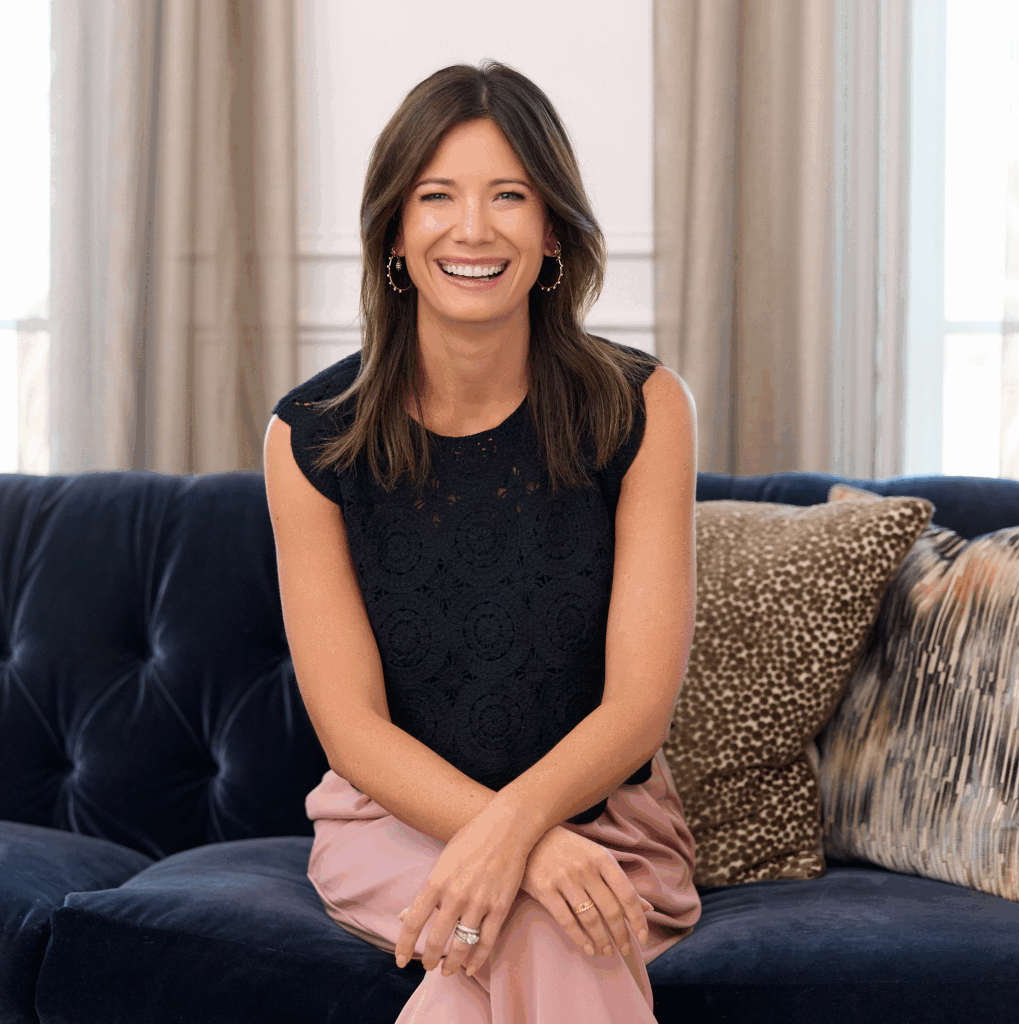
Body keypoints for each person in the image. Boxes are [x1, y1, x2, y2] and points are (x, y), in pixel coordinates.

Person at [263, 61, 700, 1024]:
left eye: (509, 195)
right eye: (437, 197)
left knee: (507, 945)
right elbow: (352, 730)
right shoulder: (310, 440)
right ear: (394, 232)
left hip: (609, 831)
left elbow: (638, 707)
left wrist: (518, 834)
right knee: (544, 921)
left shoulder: (644, 409)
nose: (472, 229)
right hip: (391, 827)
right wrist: (523, 849)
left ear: (553, 231)